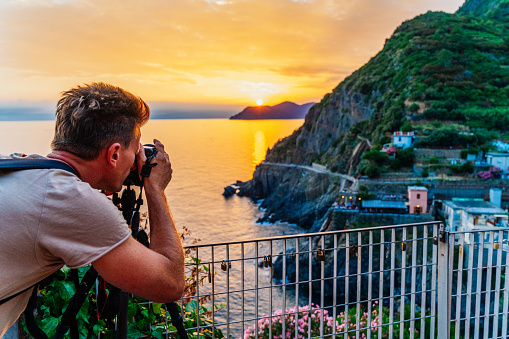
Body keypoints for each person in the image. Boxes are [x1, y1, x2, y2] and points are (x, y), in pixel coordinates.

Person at [0, 83, 185, 337]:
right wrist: (155, 189)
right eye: (136, 148)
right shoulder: (69, 198)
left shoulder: (18, 167)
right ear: (114, 154)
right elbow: (170, 284)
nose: (138, 158)